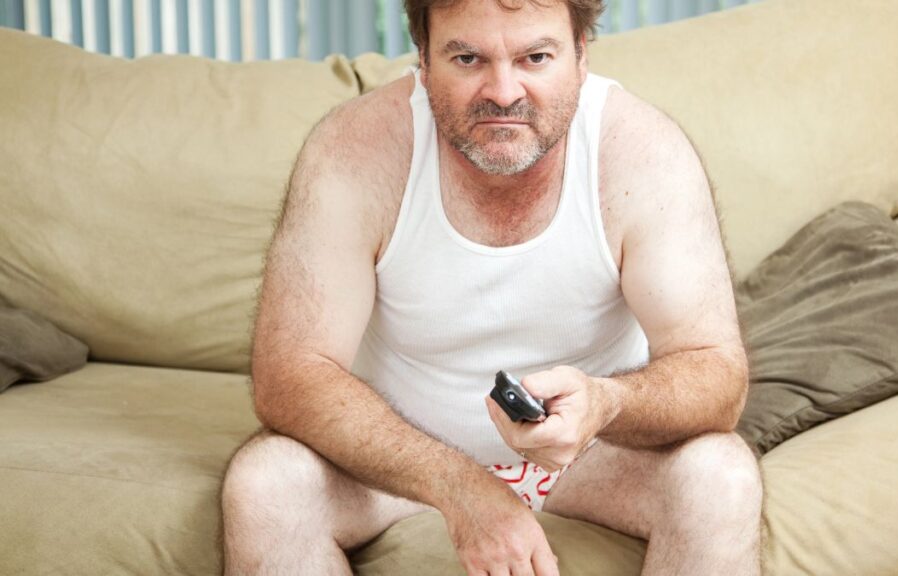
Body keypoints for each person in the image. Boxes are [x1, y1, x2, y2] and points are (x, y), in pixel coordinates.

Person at [221, 0, 763, 574]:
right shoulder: (353, 149)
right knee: (266, 484)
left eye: (535, 57)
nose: (503, 92)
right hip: (398, 465)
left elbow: (717, 375)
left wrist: (608, 402)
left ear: (580, 56)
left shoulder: (644, 153)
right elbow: (289, 374)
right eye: (468, 57)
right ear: (424, 60)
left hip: (594, 459)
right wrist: (460, 487)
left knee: (720, 475)